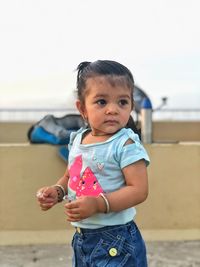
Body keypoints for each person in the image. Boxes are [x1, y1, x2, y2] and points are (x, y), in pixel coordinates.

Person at [36, 60, 150, 267]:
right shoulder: (78, 139)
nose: (113, 110)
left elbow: (138, 190)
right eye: (101, 102)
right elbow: (72, 175)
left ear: (131, 106)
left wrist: (98, 204)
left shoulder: (125, 143)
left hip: (117, 240)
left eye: (122, 102)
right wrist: (58, 190)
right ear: (82, 108)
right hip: (82, 238)